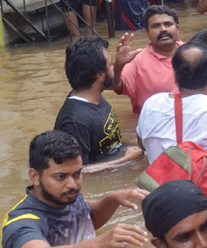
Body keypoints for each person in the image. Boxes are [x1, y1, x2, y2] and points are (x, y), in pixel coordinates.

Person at [0, 131, 148, 248]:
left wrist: (112, 199)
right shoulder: (21, 222)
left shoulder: (64, 196)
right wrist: (99, 243)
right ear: (35, 177)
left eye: (77, 174)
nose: (72, 184)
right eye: (60, 177)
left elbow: (87, 219)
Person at [136, 43, 207, 162]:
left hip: (157, 180)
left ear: (174, 75)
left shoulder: (151, 104)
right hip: (200, 180)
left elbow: (142, 145)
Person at [54, 37, 142, 169]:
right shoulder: (75, 121)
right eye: (111, 64)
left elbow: (111, 142)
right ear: (100, 75)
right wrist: (126, 160)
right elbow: (74, 171)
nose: (113, 67)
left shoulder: (94, 97)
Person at [113, 5, 183, 114]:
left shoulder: (194, 52)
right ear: (147, 33)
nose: (163, 29)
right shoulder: (137, 61)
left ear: (177, 29)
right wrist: (118, 65)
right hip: (155, 127)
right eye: (156, 26)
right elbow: (113, 85)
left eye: (168, 24)